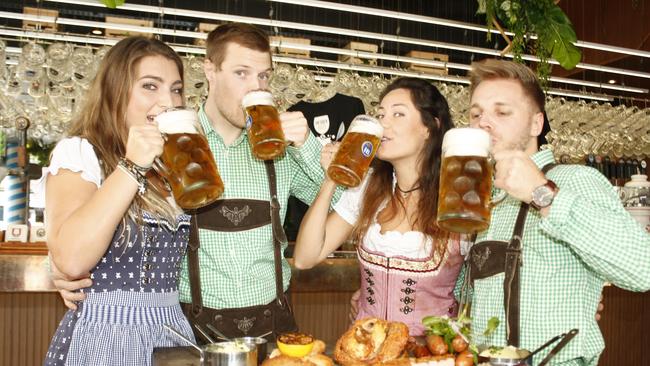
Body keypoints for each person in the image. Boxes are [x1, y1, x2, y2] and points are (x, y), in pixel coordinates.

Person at [53, 23, 326, 341]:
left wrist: (308, 145)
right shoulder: (177, 145)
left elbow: (344, 209)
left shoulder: (278, 149)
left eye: (264, 76)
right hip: (186, 333)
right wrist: (60, 265)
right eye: (242, 73)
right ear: (210, 70)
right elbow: (93, 235)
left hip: (269, 327)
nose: (256, 87)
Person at [458, 58, 650, 365]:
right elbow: (474, 295)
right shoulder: (486, 197)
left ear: (537, 123)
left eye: (502, 111)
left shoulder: (575, 180)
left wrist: (543, 195)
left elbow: (642, 267)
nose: (483, 122)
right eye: (476, 113)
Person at [43, 36, 194, 366]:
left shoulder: (173, 165)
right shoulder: (82, 153)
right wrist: (132, 164)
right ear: (115, 91)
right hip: (106, 336)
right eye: (150, 86)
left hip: (173, 336)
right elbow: (70, 258)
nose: (168, 101)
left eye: (176, 89)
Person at [294, 77, 465, 336]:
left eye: (398, 114)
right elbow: (305, 257)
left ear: (431, 127)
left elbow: (475, 281)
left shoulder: (458, 197)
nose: (383, 123)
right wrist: (332, 179)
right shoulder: (369, 187)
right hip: (364, 350)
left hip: (429, 356)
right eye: (381, 114)